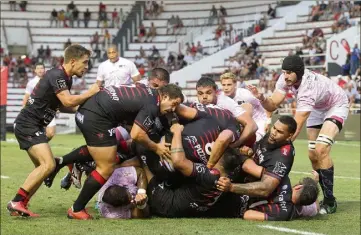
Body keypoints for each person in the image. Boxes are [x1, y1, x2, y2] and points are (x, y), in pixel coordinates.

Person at [247, 55, 349, 214]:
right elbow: (273, 104)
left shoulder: (307, 88)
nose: (285, 75)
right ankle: (316, 195)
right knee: (312, 155)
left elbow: (295, 126)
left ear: (298, 72)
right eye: (284, 72)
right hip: (317, 107)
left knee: (321, 149)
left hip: (336, 105)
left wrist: (275, 150)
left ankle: (330, 201)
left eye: (289, 72)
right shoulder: (284, 79)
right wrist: (261, 97)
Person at [65, 84, 183, 219]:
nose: (173, 109)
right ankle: (77, 208)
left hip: (90, 110)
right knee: (106, 167)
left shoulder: (149, 91)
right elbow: (137, 134)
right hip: (97, 116)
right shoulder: (152, 104)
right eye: (173, 104)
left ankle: (66, 162)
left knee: (117, 153)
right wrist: (156, 147)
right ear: (165, 96)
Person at [7, 45, 100, 217]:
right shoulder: (57, 75)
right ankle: (16, 202)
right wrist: (91, 92)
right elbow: (69, 100)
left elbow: (65, 105)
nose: (87, 67)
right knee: (48, 165)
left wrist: (88, 108)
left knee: (45, 169)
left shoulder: (66, 78)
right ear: (72, 61)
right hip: (29, 124)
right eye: (85, 62)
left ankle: (21, 204)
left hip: (34, 125)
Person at [142, 123, 246, 217]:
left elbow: (179, 162)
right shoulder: (229, 177)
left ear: (221, 163)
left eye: (219, 154)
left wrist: (177, 131)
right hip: (186, 208)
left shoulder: (210, 175)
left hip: (166, 203)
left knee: (143, 158)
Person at [217, 116, 297, 221]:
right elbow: (257, 151)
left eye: (279, 132)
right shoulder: (271, 136)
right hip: (243, 174)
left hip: (251, 193)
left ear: (289, 136)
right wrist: (249, 152)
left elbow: (266, 188)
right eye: (274, 128)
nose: (274, 133)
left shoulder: (283, 156)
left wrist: (231, 187)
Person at [195, 77, 257, 168]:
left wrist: (236, 144)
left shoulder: (226, 103)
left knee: (247, 107)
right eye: (200, 93)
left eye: (208, 92)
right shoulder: (197, 103)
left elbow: (252, 125)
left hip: (233, 139)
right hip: (217, 139)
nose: (204, 97)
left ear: (216, 92)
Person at [219, 72, 269, 141]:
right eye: (224, 85)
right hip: (241, 123)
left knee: (256, 141)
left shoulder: (245, 94)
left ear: (235, 84)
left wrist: (268, 120)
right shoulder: (221, 98)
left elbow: (263, 104)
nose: (226, 88)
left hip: (258, 121)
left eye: (229, 85)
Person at [22, 62, 56, 140]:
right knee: (35, 132)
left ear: (44, 70)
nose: (40, 70)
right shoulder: (31, 83)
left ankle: (41, 146)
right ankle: (38, 148)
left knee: (50, 133)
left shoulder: (50, 81)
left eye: (42, 68)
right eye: (38, 68)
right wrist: (23, 109)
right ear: (35, 71)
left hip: (48, 110)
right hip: (36, 110)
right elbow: (26, 97)